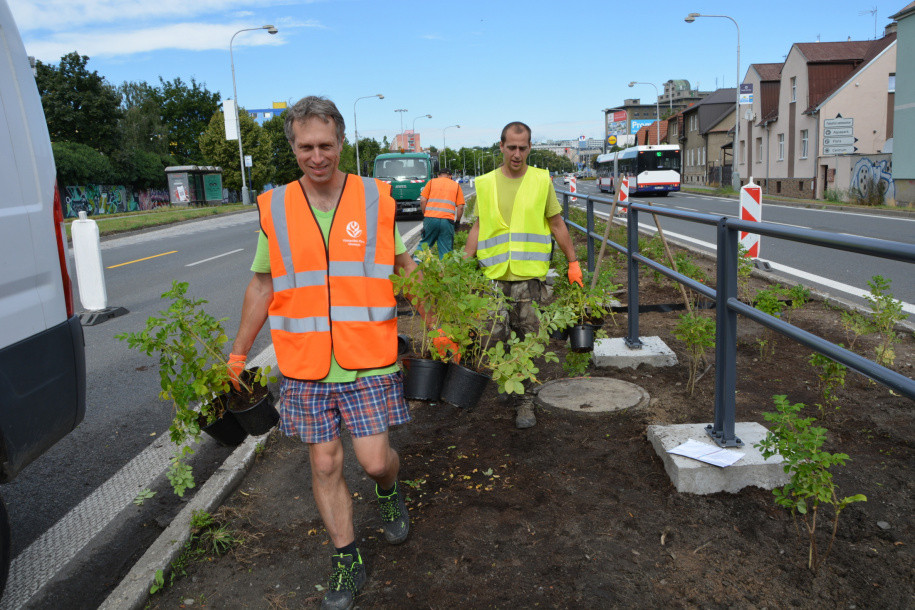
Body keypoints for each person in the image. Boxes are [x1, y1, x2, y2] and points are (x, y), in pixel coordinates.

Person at [227, 96, 444, 610]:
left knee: (374, 462)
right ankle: (346, 556)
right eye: (306, 147)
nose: (317, 156)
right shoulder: (276, 207)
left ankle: (388, 490)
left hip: (367, 355)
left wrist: (440, 326)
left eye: (326, 145)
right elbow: (262, 284)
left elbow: (405, 269)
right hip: (305, 361)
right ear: (293, 148)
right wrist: (238, 355)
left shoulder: (373, 198)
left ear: (342, 142)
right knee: (324, 464)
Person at [464, 121, 583, 429]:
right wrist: (463, 263)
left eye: (522, 148)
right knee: (494, 337)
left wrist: (573, 262)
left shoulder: (541, 180)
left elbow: (556, 224)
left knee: (528, 339)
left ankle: (525, 399)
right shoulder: (485, 183)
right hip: (494, 275)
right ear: (501, 147)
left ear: (530, 148)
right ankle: (508, 381)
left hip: (529, 278)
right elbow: (478, 226)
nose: (516, 154)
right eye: (511, 147)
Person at [417, 167, 465, 258]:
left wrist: (425, 215)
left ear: (438, 175)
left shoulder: (431, 182)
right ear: (450, 176)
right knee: (445, 249)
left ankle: (416, 262)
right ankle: (445, 266)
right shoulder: (456, 186)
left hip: (431, 218)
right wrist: (457, 222)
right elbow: (460, 207)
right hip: (447, 221)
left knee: (425, 244)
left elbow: (423, 200)